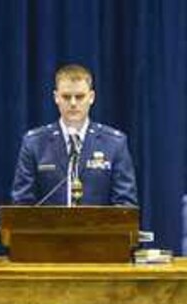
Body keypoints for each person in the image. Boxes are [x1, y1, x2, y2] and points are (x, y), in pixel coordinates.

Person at [11, 64, 138, 207]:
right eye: (66, 97)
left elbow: (126, 205)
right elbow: (21, 205)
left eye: (79, 97)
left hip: (99, 229)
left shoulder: (114, 143)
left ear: (91, 97)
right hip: (48, 229)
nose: (73, 103)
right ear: (56, 98)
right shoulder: (35, 143)